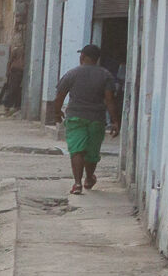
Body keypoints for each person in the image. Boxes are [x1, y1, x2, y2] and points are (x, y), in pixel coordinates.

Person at [48, 43, 121, 195]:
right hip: (96, 119)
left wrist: (57, 113)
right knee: (92, 152)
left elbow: (60, 96)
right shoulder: (106, 75)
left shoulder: (72, 74)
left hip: (75, 118)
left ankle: (77, 184)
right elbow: (109, 100)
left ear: (82, 57)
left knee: (77, 151)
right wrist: (115, 121)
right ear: (97, 59)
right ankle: (88, 178)